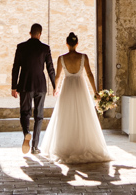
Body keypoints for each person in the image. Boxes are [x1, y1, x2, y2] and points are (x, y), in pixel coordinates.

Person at [39, 32, 111, 164]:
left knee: (65, 115)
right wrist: (95, 91)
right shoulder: (83, 57)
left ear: (67, 44)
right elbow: (89, 74)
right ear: (77, 43)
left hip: (67, 88)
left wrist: (56, 88)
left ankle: (65, 145)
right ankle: (83, 143)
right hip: (80, 87)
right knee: (83, 115)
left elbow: (57, 76)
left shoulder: (61, 58)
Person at [11, 23, 56, 155]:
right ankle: (35, 146)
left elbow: (15, 68)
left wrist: (14, 86)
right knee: (39, 115)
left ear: (30, 33)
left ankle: (26, 133)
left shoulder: (21, 47)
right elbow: (50, 69)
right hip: (40, 85)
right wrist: (55, 86)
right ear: (40, 34)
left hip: (25, 84)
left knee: (25, 112)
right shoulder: (45, 48)